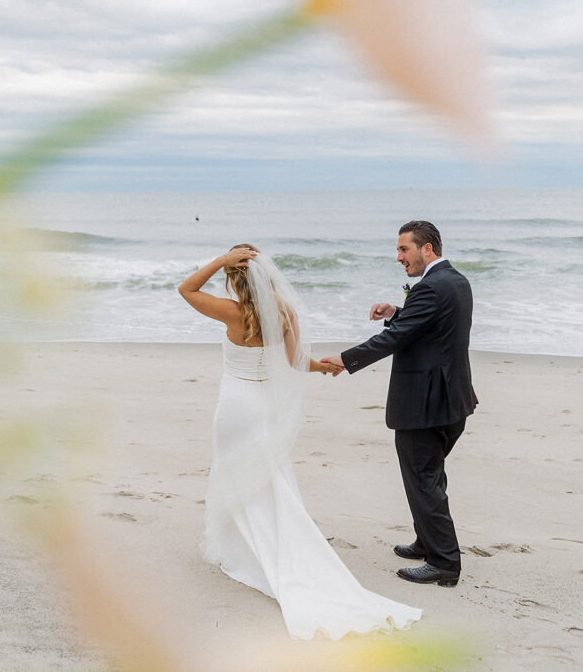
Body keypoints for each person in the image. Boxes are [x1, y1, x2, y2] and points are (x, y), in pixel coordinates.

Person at [178, 244, 422, 639]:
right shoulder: (283, 313)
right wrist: (324, 367)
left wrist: (220, 261)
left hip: (234, 407)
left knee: (231, 470)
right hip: (260, 407)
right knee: (268, 476)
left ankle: (243, 549)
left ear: (233, 281)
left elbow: (186, 290)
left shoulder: (231, 312)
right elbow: (293, 362)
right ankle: (272, 545)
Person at [322, 221, 477, 587]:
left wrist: (347, 360)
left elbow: (397, 339)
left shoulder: (430, 288)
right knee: (430, 474)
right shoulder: (455, 282)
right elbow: (428, 325)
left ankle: (444, 562)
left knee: (423, 479)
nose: (398, 257)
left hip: (425, 405)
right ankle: (428, 541)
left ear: (427, 249)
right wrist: (395, 310)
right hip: (453, 400)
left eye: (404, 249)